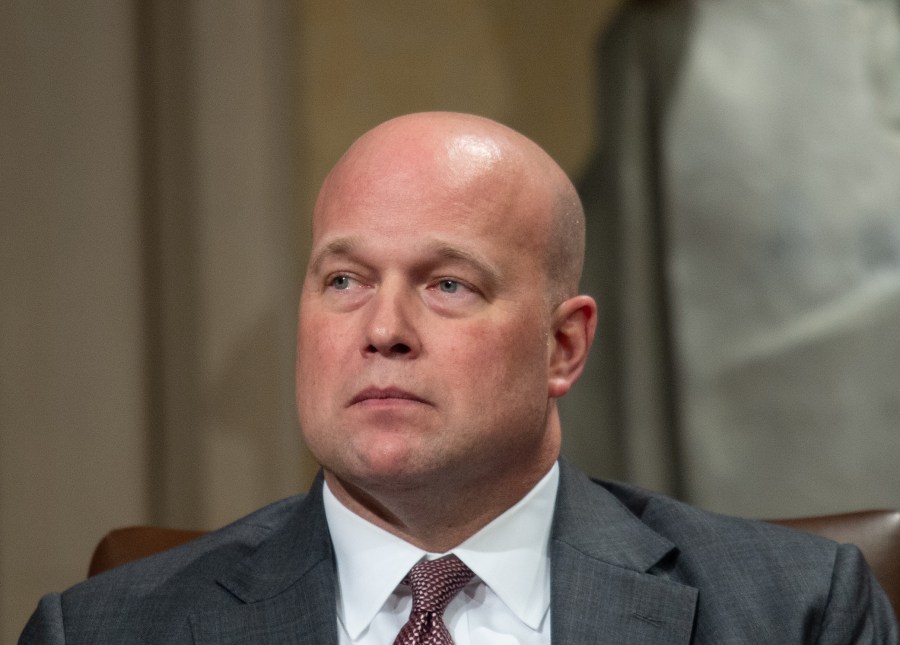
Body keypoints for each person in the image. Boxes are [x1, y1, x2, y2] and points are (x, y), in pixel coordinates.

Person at [20, 112, 897, 643]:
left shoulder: (795, 615)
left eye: (447, 284)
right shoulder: (105, 633)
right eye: (344, 280)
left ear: (563, 346)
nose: (384, 330)